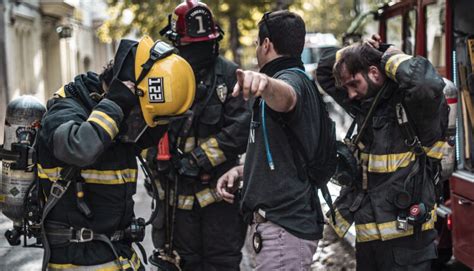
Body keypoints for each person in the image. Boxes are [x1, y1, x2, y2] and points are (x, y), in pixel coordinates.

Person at [36, 36, 195, 271]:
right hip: (78, 260)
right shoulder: (66, 110)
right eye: (140, 113)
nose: (140, 122)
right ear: (127, 91)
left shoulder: (116, 120)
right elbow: (79, 147)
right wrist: (116, 104)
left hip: (117, 255)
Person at [315, 36, 449, 270]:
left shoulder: (415, 109)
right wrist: (357, 49)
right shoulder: (365, 105)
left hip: (407, 244)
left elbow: (427, 84)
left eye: (354, 84)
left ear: (375, 73)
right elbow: (324, 71)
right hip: (369, 243)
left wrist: (388, 55)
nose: (350, 94)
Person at [217, 10, 327, 270]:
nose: (257, 49)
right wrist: (241, 171)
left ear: (266, 44)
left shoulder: (291, 81)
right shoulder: (291, 80)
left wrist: (265, 82)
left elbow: (287, 97)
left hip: (284, 233)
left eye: (257, 43)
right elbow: (284, 159)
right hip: (280, 233)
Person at [147, 0, 251, 270]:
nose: (200, 53)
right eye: (193, 47)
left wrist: (197, 160)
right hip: (176, 202)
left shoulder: (228, 76)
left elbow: (240, 130)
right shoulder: (162, 77)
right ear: (177, 44)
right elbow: (148, 124)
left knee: (223, 263)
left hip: (220, 202)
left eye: (205, 45)